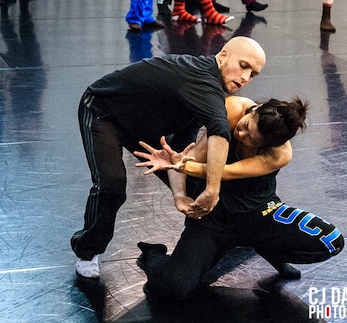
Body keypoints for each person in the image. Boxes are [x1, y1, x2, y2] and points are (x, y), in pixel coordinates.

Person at [70, 36, 266, 278]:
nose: (245, 78)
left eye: (253, 74)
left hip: (145, 128)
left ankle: (228, 237)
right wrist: (212, 189)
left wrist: (180, 194)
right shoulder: (201, 79)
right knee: (111, 186)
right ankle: (88, 249)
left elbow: (180, 152)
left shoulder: (208, 92)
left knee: (195, 184)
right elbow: (220, 131)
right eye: (244, 66)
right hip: (104, 112)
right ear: (223, 55)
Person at [135, 95, 344, 302]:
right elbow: (194, 158)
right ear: (256, 109)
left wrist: (178, 165)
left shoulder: (280, 154)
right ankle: (153, 254)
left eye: (251, 139)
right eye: (245, 125)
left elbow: (225, 172)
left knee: (331, 240)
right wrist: (178, 178)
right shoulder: (233, 108)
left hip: (261, 212)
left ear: (270, 145)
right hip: (213, 218)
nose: (241, 133)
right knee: (174, 287)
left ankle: (269, 247)